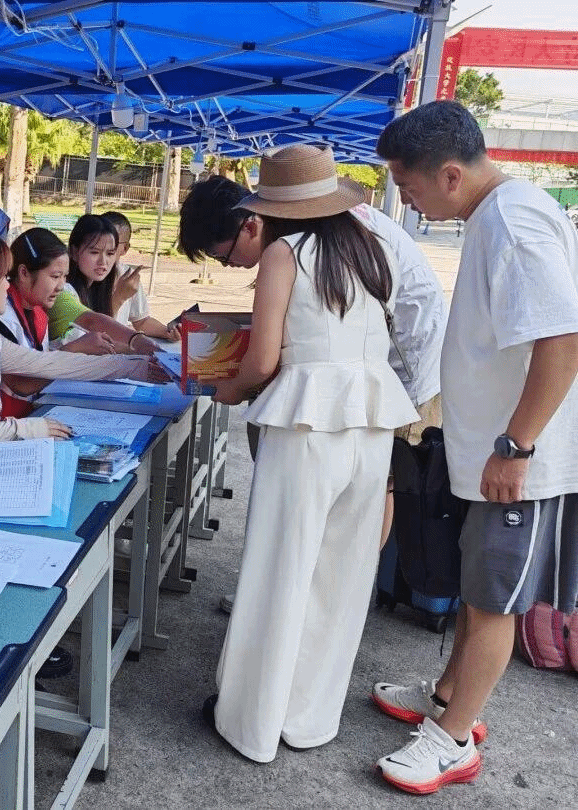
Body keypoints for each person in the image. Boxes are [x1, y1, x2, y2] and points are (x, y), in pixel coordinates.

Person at [372, 100, 578, 795]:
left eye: (408, 185)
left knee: (493, 599)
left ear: (451, 175)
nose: (408, 200)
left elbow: (562, 339)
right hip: (493, 453)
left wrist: (517, 446)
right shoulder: (496, 215)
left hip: (519, 461)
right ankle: (446, 695)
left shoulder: (514, 222)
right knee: (474, 588)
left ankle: (453, 739)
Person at [202, 145, 418, 763]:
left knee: (280, 569)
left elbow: (262, 360)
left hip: (306, 425)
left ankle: (252, 721)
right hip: (370, 422)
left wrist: (224, 390)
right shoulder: (370, 247)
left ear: (272, 210)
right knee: (340, 578)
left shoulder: (285, 253)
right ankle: (308, 717)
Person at [179, 171, 447, 582]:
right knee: (352, 496)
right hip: (359, 382)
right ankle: (332, 587)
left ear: (253, 221)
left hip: (399, 373)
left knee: (370, 488)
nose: (230, 266)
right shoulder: (325, 232)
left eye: (225, 257)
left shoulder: (293, 249)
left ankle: (327, 583)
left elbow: (267, 357)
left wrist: (231, 387)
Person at [0, 224, 167, 445]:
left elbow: (52, 363)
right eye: (3, 278)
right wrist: (23, 429)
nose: (8, 286)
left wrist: (136, 368)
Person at [0, 228, 149, 417]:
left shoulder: (38, 310)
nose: (61, 286)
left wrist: (137, 349)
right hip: (10, 420)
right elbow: (22, 385)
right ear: (24, 273)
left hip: (35, 411)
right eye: (55, 276)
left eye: (64, 276)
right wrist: (74, 349)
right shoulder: (0, 315)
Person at [48, 215, 160, 356]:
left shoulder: (97, 288)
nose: (103, 261)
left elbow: (105, 343)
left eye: (110, 253)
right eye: (94, 252)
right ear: (74, 252)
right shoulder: (62, 291)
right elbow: (93, 324)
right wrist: (119, 298)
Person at [101, 211, 180, 341]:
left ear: (125, 249)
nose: (101, 258)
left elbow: (141, 321)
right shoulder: (79, 280)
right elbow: (93, 327)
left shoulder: (128, 276)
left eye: (112, 245)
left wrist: (168, 332)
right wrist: (119, 297)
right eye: (94, 248)